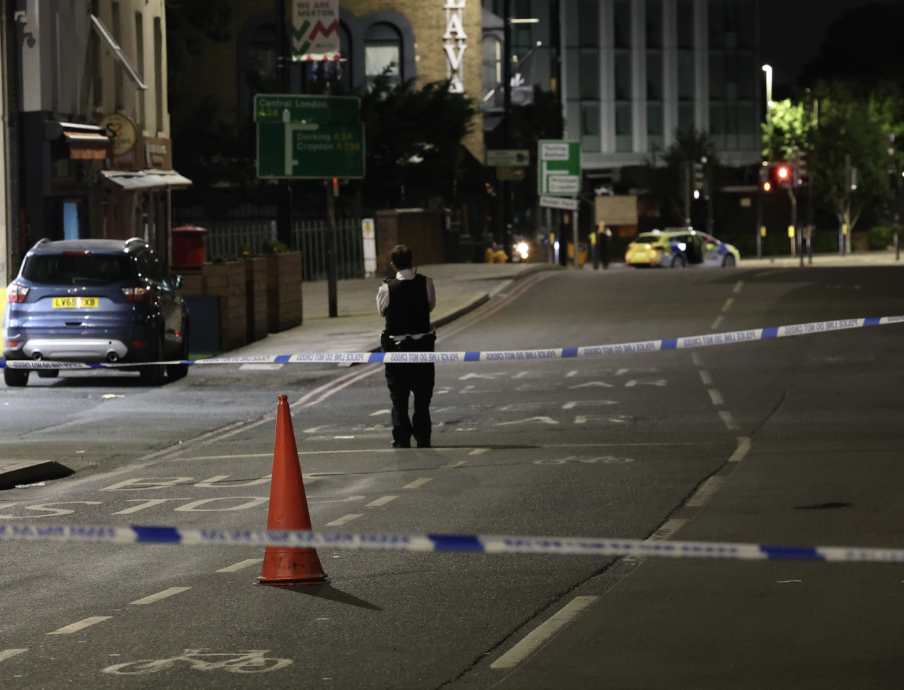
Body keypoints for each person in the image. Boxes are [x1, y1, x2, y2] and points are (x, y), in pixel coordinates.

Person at [377, 245, 436, 448]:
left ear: (393, 265)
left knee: (399, 397)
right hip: (423, 349)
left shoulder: (387, 288)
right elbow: (430, 306)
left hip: (396, 350)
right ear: (412, 262)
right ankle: (423, 436)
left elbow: (381, 311)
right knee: (422, 396)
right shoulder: (426, 283)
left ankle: (401, 437)